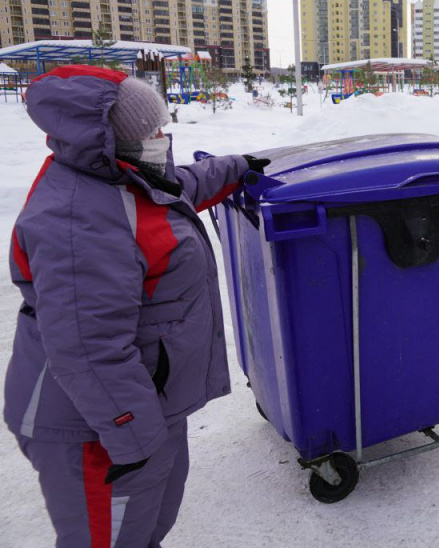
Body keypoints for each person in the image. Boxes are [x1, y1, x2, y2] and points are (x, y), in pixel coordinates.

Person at [4, 65, 268, 545]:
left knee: (147, 526)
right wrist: (135, 438)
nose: (162, 138)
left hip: (143, 406)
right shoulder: (78, 222)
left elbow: (178, 187)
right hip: (98, 428)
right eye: (151, 131)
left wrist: (239, 166)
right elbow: (88, 348)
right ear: (111, 138)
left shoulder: (120, 177)